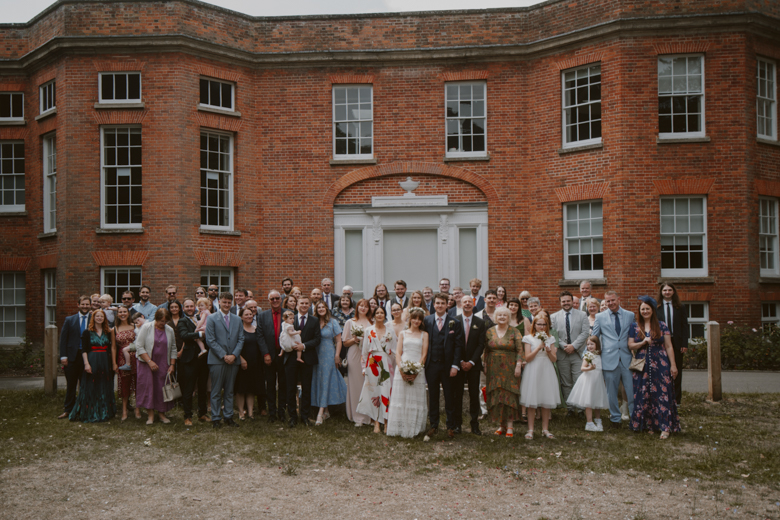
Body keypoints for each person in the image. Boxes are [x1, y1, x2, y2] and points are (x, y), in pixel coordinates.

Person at [628, 296, 681, 439]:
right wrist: (643, 343)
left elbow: (669, 346)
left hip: (660, 363)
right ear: (639, 311)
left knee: (662, 393)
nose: (645, 311)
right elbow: (630, 345)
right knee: (643, 393)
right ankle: (648, 424)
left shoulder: (662, 325)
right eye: (642, 309)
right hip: (642, 365)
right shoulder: (634, 326)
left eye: (647, 309)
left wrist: (673, 365)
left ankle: (665, 426)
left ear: (652, 310)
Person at [591, 290, 636, 429]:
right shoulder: (600, 317)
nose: (610, 303)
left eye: (613, 300)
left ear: (618, 299)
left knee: (631, 390)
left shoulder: (630, 315)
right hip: (609, 358)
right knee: (611, 392)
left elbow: (634, 335)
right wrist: (589, 354)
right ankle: (615, 418)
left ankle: (635, 418)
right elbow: (594, 337)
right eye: (608, 301)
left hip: (626, 358)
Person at [423, 293, 464, 439]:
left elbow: (458, 346)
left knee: (449, 396)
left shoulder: (455, 322)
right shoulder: (427, 321)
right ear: (434, 304)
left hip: (448, 366)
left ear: (447, 305)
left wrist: (455, 366)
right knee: (433, 396)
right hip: (432, 365)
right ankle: (433, 425)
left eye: (442, 303)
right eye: (437, 303)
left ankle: (450, 426)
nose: (440, 305)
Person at [386, 308, 429, 438]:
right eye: (414, 318)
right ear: (410, 319)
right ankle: (399, 427)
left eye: (419, 319)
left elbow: (424, 354)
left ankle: (413, 427)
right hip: (403, 365)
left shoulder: (424, 334)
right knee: (402, 397)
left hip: (417, 367)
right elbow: (398, 353)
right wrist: (401, 369)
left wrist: (417, 370)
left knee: (415, 397)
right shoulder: (403, 334)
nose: (416, 321)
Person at [69, 309, 117, 422]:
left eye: (102, 316)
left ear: (104, 318)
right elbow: (84, 350)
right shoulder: (87, 332)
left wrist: (113, 363)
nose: (99, 318)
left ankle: (104, 411)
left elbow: (112, 347)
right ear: (93, 318)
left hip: (105, 361)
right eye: (97, 316)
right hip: (92, 359)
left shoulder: (108, 332)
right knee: (91, 385)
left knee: (104, 385)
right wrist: (86, 364)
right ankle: (89, 411)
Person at [206, 292, 245, 428]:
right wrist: (224, 355)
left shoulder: (237, 319)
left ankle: (228, 416)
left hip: (233, 360)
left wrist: (234, 355)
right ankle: (216, 417)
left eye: (229, 302)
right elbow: (210, 340)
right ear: (219, 302)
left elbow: (241, 339)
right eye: (224, 302)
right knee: (216, 390)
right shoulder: (212, 318)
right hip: (217, 360)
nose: (227, 305)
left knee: (229, 390)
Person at [483, 307, 524, 437]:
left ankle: (510, 426)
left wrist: (518, 365)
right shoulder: (489, 331)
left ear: (508, 317)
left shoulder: (515, 331)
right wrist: (485, 364)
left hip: (510, 367)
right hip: (493, 367)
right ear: (496, 317)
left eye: (504, 315)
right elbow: (486, 350)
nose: (502, 317)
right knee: (497, 395)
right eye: (499, 315)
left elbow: (520, 350)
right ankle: (501, 425)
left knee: (509, 395)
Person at [520, 312, 560, 439]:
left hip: (546, 368)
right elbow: (527, 358)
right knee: (532, 400)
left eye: (544, 324)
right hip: (533, 368)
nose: (542, 327)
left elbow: (554, 359)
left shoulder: (550, 338)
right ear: (534, 325)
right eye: (539, 324)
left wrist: (548, 351)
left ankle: (545, 429)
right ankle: (530, 430)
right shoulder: (528, 338)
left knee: (546, 399)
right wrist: (538, 348)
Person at [357, 306, 396, 433]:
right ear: (374, 315)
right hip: (372, 363)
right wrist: (364, 368)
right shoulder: (368, 330)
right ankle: (376, 422)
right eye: (377, 313)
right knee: (373, 392)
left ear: (385, 315)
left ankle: (386, 421)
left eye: (382, 313)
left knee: (385, 392)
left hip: (386, 364)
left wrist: (392, 367)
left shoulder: (390, 331)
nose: (379, 315)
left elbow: (395, 351)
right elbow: (364, 351)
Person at [550, 291, 590, 417]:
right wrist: (564, 346)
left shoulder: (582, 315)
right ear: (560, 302)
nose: (566, 303)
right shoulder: (553, 317)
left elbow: (585, 333)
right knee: (566, 382)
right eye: (563, 301)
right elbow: (553, 335)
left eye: (568, 301)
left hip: (577, 353)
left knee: (579, 380)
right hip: (562, 354)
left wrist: (574, 346)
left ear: (572, 301)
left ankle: (581, 408)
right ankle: (570, 408)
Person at [135, 308, 177, 425]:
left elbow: (173, 348)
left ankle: (162, 414)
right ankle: (150, 415)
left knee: (161, 388)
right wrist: (150, 361)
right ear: (156, 318)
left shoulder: (169, 330)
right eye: (161, 321)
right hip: (146, 363)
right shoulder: (146, 327)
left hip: (163, 363)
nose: (163, 323)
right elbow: (139, 346)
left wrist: (172, 364)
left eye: (166, 321)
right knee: (149, 388)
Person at [284, 295, 321, 427]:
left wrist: (304, 346)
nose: (304, 305)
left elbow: (317, 339)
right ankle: (292, 416)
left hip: (307, 358)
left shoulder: (314, 320)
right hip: (291, 357)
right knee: (290, 388)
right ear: (297, 305)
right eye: (302, 303)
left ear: (309, 305)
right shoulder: (290, 318)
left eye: (306, 303)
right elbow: (284, 335)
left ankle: (305, 416)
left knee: (307, 388)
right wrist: (291, 346)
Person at [454, 295, 486, 435]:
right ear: (461, 304)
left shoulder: (480, 322)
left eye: (469, 302)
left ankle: (474, 424)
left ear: (473, 304)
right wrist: (460, 361)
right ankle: (457, 424)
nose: (467, 304)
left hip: (474, 365)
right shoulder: (454, 321)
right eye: (464, 302)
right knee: (457, 394)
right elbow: (453, 343)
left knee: (474, 394)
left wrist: (472, 362)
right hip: (458, 363)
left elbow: (481, 344)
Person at [311, 301, 347, 425]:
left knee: (326, 380)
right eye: (319, 307)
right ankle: (326, 411)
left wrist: (337, 355)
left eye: (323, 307)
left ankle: (320, 412)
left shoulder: (333, 322)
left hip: (328, 355)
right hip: (316, 354)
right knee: (320, 381)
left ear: (327, 309)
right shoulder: (314, 322)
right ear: (316, 309)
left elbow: (339, 341)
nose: (321, 309)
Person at [177, 298, 210, 426]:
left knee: (202, 387)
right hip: (189, 360)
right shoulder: (182, 321)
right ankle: (188, 416)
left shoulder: (200, 317)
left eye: (191, 306)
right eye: (187, 306)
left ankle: (202, 413)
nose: (190, 308)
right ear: (183, 308)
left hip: (203, 358)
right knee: (188, 388)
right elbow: (185, 335)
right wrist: (201, 335)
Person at [255, 290, 287, 423]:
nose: (275, 301)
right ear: (269, 301)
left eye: (277, 298)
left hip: (284, 355)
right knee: (270, 385)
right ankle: (272, 413)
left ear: (281, 299)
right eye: (272, 299)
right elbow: (260, 336)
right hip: (269, 355)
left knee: (283, 385)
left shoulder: (288, 313)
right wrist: (266, 354)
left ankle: (282, 412)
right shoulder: (262, 316)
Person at [58, 295, 91, 419]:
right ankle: (68, 409)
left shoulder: (94, 319)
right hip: (72, 357)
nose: (85, 306)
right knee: (71, 384)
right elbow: (63, 339)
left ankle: (83, 409)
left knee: (85, 384)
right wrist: (63, 356)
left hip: (87, 357)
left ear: (90, 305)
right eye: (83, 304)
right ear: (78, 305)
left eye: (87, 304)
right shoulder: (69, 320)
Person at [567, 336, 609, 432]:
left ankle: (598, 420)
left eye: (592, 344)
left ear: (597, 345)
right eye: (588, 344)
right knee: (588, 401)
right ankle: (589, 423)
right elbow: (582, 368)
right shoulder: (587, 355)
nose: (590, 346)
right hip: (589, 380)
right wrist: (590, 368)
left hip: (597, 381)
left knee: (597, 401)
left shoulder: (599, 355)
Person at [342, 298, 373, 426]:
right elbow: (345, 342)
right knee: (356, 385)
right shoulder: (350, 322)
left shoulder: (372, 322)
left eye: (366, 306)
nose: (363, 308)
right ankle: (358, 416)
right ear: (357, 307)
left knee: (369, 384)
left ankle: (370, 415)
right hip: (354, 354)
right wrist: (355, 339)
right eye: (361, 306)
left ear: (369, 309)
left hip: (369, 355)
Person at [657, 283, 688, 405]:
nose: (667, 292)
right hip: (661, 341)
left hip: (676, 342)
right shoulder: (656, 307)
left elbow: (684, 325)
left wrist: (684, 343)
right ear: (661, 292)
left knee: (676, 370)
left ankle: (676, 400)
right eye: (665, 290)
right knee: (662, 370)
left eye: (669, 290)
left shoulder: (680, 307)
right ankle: (664, 397)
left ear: (673, 292)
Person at [235, 307, 263, 420]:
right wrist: (241, 359)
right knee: (241, 388)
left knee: (251, 388)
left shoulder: (256, 329)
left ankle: (251, 413)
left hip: (254, 363)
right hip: (241, 363)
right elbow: (234, 346)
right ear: (241, 317)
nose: (249, 316)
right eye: (246, 314)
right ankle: (241, 412)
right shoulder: (238, 330)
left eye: (250, 314)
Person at [113, 305, 141, 421]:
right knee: (125, 384)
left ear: (128, 313)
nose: (122, 314)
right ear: (117, 314)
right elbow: (113, 347)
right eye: (120, 312)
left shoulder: (134, 326)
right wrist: (114, 363)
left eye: (125, 311)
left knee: (137, 384)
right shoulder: (114, 328)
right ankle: (124, 410)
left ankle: (137, 409)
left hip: (136, 357)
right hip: (122, 359)